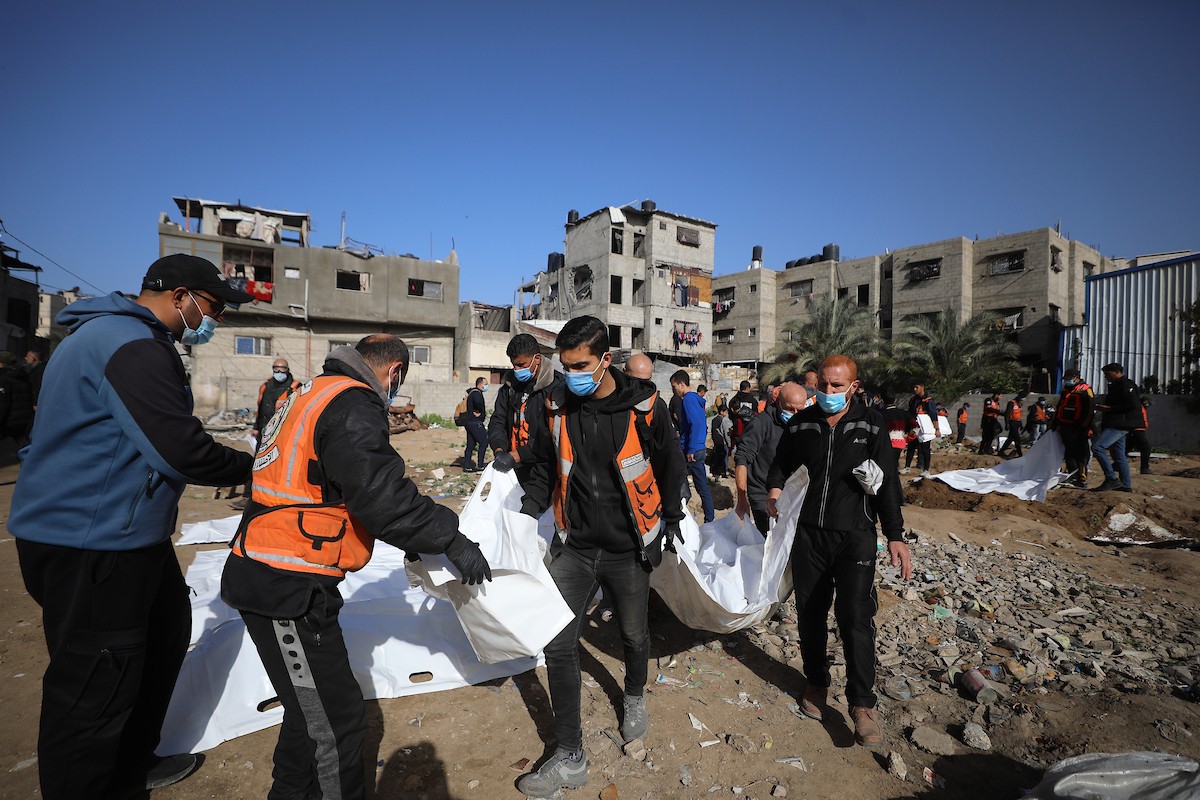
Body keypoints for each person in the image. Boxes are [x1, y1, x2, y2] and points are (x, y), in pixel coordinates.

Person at [9, 254, 255, 799]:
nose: (215, 320)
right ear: (179, 296)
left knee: (164, 633)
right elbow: (181, 450)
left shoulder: (118, 337)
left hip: (124, 531)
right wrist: (260, 467)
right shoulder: (131, 345)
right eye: (213, 307)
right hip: (91, 539)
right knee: (96, 677)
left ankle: (130, 763)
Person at [223, 335, 491, 799]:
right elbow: (382, 497)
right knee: (337, 721)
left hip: (274, 566)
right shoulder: (352, 403)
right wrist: (450, 538)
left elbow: (330, 487)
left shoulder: (309, 392)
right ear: (395, 372)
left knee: (309, 713)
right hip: (286, 583)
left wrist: (415, 543)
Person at [516, 316, 684, 797]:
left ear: (605, 359)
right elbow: (545, 467)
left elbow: (670, 464)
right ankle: (570, 755)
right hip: (574, 547)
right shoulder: (555, 406)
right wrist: (523, 509)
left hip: (628, 549)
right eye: (565, 366)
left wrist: (671, 520)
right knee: (558, 644)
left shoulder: (644, 406)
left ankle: (633, 695)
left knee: (633, 633)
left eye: (580, 366)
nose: (571, 375)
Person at [765, 355, 911, 749]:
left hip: (855, 536)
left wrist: (895, 535)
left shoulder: (871, 424)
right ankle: (816, 683)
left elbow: (888, 483)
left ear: (853, 387)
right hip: (809, 536)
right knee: (811, 614)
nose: (828, 392)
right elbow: (780, 464)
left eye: (836, 386)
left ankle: (862, 704)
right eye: (823, 385)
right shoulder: (802, 423)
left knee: (855, 618)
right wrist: (774, 490)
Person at [488, 333, 561, 486]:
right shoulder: (509, 388)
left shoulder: (557, 388)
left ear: (537, 359)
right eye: (514, 365)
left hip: (546, 471)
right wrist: (499, 449)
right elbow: (498, 420)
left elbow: (552, 436)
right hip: (514, 469)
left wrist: (519, 454)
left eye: (521, 365)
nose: (516, 370)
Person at [734, 381, 805, 535]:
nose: (794, 414)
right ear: (779, 403)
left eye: (799, 410)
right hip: (763, 496)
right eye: (789, 409)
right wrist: (742, 499)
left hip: (790, 495)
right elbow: (742, 459)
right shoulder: (761, 424)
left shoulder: (802, 425)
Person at [672, 369, 715, 523]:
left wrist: (691, 449)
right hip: (697, 447)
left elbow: (695, 424)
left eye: (674, 386)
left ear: (681, 384)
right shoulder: (696, 400)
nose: (673, 390)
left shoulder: (688, 400)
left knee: (699, 486)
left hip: (693, 450)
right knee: (698, 485)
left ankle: (708, 519)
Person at [1091, 362, 1140, 492]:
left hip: (1120, 424)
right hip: (1115, 423)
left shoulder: (1126, 385)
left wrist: (1110, 408)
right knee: (1119, 455)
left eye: (1108, 374)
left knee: (1098, 447)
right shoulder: (1116, 386)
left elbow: (1132, 405)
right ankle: (1125, 485)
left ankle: (1111, 479)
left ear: (1117, 372)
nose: (1106, 377)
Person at [1050, 369, 1094, 488]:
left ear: (1076, 378)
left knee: (1080, 454)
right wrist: (1055, 423)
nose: (1067, 381)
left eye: (1069, 378)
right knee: (1069, 453)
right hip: (1065, 426)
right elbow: (1060, 407)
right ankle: (1072, 475)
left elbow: (1089, 410)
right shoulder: (1066, 390)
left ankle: (1081, 478)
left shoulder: (1085, 390)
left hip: (1079, 427)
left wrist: (1086, 426)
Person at [253, 358, 301, 439]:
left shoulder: (295, 388)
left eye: (282, 368)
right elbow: (261, 409)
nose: (279, 372)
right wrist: (256, 428)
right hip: (265, 429)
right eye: (276, 368)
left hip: (284, 431)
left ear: (288, 369)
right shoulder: (265, 386)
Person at [0, 351, 35, 447]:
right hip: (23, 420)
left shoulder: (3, 379)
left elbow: (2, 404)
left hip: (9, 422)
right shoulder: (23, 375)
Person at [905, 383, 938, 475]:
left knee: (925, 449)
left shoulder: (929, 401)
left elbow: (934, 415)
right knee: (911, 447)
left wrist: (937, 428)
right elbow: (910, 413)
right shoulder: (913, 400)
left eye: (917, 387)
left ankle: (926, 470)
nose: (915, 389)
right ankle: (907, 467)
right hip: (915, 427)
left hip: (925, 428)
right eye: (914, 387)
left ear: (922, 387)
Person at [463, 376, 489, 472]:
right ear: (480, 384)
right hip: (475, 422)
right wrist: (480, 410)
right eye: (485, 384)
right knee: (484, 442)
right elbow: (478, 403)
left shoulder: (472, 393)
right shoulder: (476, 393)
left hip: (469, 422)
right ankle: (480, 464)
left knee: (471, 444)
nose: (486, 386)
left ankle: (467, 466)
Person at [881, 394, 911, 470]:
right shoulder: (904, 413)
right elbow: (916, 427)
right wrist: (908, 438)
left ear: (882, 401)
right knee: (895, 462)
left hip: (886, 443)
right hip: (900, 442)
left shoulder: (881, 414)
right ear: (895, 400)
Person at [728, 380, 759, 450]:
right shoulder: (753, 401)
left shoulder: (733, 400)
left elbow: (730, 416)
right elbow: (756, 415)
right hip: (750, 432)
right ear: (747, 388)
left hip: (737, 433)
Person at [997, 391, 1029, 458]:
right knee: (1017, 439)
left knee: (1010, 439)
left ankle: (1001, 451)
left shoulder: (1019, 404)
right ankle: (1020, 454)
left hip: (1017, 423)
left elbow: (1019, 415)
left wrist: (1021, 424)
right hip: (1012, 422)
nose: (1023, 399)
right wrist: (1007, 424)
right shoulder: (1011, 403)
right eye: (1023, 397)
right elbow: (1007, 414)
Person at [1128, 398, 1152, 475]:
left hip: (1137, 429)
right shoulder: (1138, 408)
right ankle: (1144, 468)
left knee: (1126, 447)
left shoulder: (1140, 408)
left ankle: (1116, 465)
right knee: (1146, 448)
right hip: (1138, 430)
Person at [709, 405, 732, 479]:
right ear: (721, 412)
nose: (727, 413)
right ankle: (725, 471)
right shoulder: (723, 420)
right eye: (726, 412)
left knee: (717, 455)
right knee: (724, 456)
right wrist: (728, 442)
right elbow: (725, 432)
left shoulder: (714, 419)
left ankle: (715, 471)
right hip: (722, 441)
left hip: (716, 440)